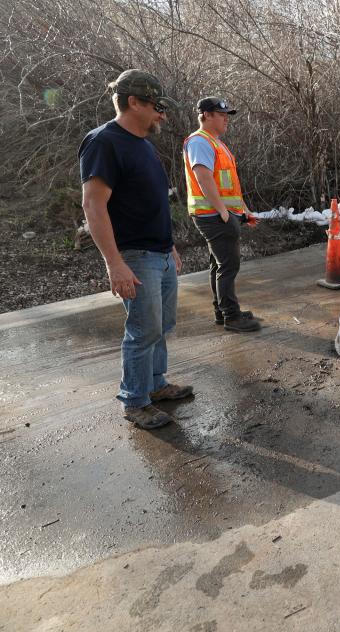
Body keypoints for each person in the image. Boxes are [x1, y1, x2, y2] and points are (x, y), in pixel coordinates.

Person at [79, 69, 194, 430]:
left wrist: (169, 246)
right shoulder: (103, 142)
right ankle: (135, 401)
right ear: (134, 102)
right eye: (157, 107)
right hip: (134, 257)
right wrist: (114, 264)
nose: (162, 115)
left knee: (162, 325)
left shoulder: (143, 145)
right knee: (143, 330)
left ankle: (155, 385)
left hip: (159, 254)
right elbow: (93, 206)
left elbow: (151, 202)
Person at [183, 96, 262, 332]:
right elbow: (203, 177)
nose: (226, 119)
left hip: (221, 214)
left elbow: (229, 185)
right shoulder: (200, 141)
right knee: (228, 266)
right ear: (206, 115)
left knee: (219, 266)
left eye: (227, 115)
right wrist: (223, 212)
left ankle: (223, 311)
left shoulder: (215, 142)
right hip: (214, 216)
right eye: (221, 114)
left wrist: (244, 211)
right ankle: (232, 316)